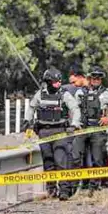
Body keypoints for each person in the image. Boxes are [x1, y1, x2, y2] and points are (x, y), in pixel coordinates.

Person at [23, 67, 82, 200]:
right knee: (48, 162)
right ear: (49, 81)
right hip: (43, 132)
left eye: (60, 81)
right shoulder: (40, 94)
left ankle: (64, 190)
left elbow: (75, 109)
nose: (59, 83)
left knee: (61, 161)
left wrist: (74, 124)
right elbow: (31, 108)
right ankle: (51, 189)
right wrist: (27, 121)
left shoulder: (64, 94)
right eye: (56, 81)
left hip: (60, 131)